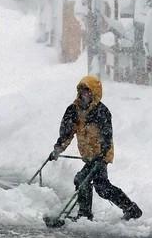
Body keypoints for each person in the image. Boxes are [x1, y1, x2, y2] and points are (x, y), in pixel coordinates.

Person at [50, 75, 142, 221]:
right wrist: (58, 149)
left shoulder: (101, 112)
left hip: (101, 155)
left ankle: (84, 215)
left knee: (82, 179)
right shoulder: (73, 110)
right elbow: (67, 133)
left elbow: (107, 136)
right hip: (89, 156)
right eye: (81, 91)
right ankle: (131, 209)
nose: (84, 94)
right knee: (102, 188)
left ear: (94, 92)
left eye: (87, 91)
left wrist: (103, 154)